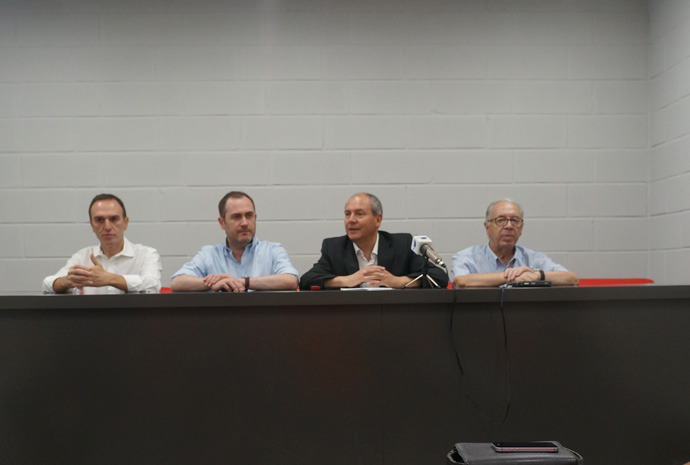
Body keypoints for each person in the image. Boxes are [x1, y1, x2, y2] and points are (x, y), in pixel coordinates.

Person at [299, 193, 449, 290]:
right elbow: (307, 281)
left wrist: (398, 282)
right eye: (347, 214)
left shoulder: (402, 244)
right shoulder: (334, 247)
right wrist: (347, 280)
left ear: (378, 220)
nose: (351, 220)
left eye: (359, 214)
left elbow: (439, 277)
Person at [170, 191, 299, 292]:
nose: (244, 223)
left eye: (249, 215)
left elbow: (291, 280)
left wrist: (242, 282)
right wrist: (213, 283)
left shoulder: (272, 250)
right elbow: (177, 283)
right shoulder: (209, 254)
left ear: (255, 218)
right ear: (222, 223)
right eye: (236, 217)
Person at [42, 193, 161, 294]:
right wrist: (67, 281)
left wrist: (109, 278)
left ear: (125, 223)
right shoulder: (82, 256)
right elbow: (47, 284)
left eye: (113, 219)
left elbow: (153, 285)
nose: (107, 226)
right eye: (99, 220)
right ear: (92, 225)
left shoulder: (146, 254)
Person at [452, 198, 578, 288]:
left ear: (521, 228)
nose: (509, 226)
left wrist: (537, 275)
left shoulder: (533, 258)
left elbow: (572, 279)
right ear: (487, 227)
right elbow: (461, 282)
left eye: (515, 220)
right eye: (501, 220)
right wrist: (510, 277)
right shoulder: (467, 256)